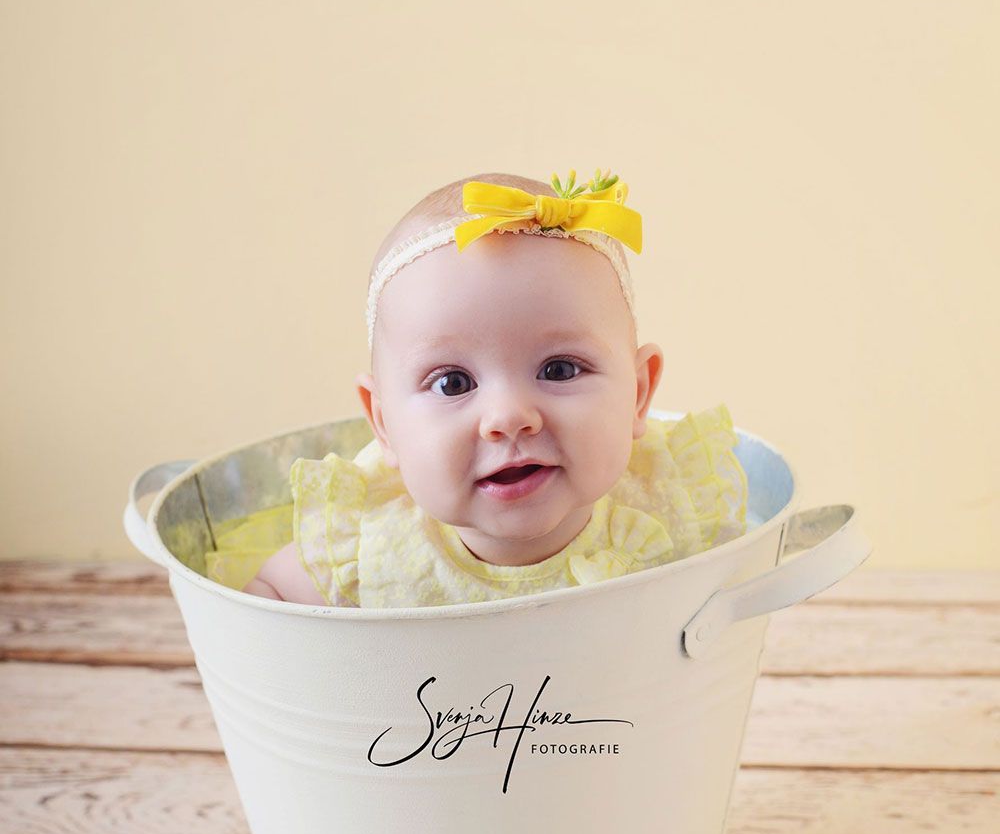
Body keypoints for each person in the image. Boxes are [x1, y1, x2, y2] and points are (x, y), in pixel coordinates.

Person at [224, 168, 747, 606]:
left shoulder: (669, 501)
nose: (509, 416)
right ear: (384, 425)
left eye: (559, 370)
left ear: (637, 394)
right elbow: (268, 598)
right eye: (453, 383)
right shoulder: (369, 546)